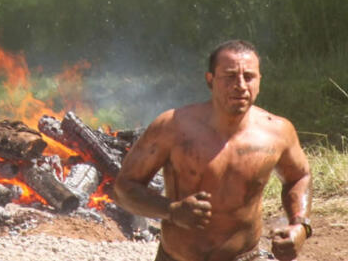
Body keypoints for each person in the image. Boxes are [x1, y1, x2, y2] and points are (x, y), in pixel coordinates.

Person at [114, 40, 312, 261]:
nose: (240, 85)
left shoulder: (278, 132)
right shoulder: (172, 127)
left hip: (246, 257)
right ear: (210, 80)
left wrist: (300, 225)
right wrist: (172, 210)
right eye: (229, 77)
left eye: (249, 76)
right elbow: (124, 188)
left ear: (259, 81)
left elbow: (299, 176)